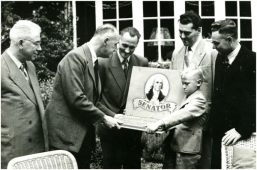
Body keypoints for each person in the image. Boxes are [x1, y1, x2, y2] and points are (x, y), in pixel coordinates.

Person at [45, 24, 122, 169]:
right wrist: (104, 118)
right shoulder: (75, 57)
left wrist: (114, 115)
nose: (116, 49)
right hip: (65, 137)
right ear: (105, 40)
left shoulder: (92, 60)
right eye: (115, 44)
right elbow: (76, 98)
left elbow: (93, 100)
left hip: (79, 137)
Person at [170, 11, 216, 168]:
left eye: (187, 32)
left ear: (199, 30)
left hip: (203, 121)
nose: (182, 36)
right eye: (180, 32)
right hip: (178, 120)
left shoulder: (212, 51)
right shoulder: (177, 53)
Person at [97, 27, 148, 169]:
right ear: (118, 41)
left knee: (132, 165)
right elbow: (96, 98)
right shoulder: (103, 62)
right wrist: (112, 116)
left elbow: (143, 96)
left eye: (132, 47)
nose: (127, 50)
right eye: (124, 45)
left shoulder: (142, 62)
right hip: (111, 127)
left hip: (133, 129)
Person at [1, 20, 48, 168]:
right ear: (21, 43)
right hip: (13, 152)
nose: (39, 49)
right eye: (36, 43)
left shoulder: (30, 66)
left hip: (36, 150)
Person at [210, 19, 256, 169]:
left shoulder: (252, 61)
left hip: (241, 136)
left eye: (216, 43)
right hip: (220, 135)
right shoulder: (220, 57)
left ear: (229, 40)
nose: (213, 46)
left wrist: (241, 130)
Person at [146, 67, 207, 169]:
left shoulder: (199, 100)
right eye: (182, 83)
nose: (183, 87)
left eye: (187, 84)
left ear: (199, 83)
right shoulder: (186, 96)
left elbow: (181, 114)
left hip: (187, 150)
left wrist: (159, 123)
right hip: (175, 145)